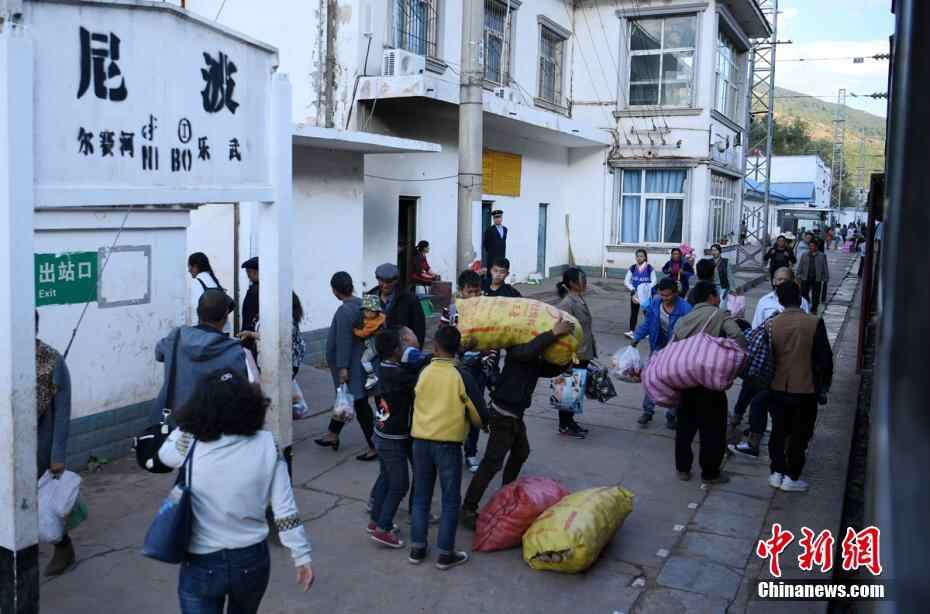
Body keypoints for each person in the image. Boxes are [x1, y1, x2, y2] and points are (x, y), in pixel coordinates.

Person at [158, 371, 314, 613]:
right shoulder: (267, 444)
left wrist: (190, 421)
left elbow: (164, 455)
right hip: (251, 561)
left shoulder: (189, 444)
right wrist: (301, 555)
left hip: (201, 561)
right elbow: (285, 509)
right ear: (250, 404)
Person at [461, 317, 575, 528]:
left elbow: (545, 369)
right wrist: (553, 333)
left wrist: (567, 361)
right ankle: (468, 509)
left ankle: (506, 494)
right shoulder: (517, 347)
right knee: (491, 464)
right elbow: (527, 352)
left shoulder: (533, 355)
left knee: (521, 452)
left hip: (515, 416)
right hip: (503, 415)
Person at [408, 326, 484, 570]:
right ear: (458, 348)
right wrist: (476, 423)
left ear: (435, 347)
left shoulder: (424, 372)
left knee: (421, 497)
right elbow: (478, 412)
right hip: (448, 445)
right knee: (450, 500)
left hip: (420, 442)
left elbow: (415, 400)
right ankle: (444, 554)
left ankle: (417, 549)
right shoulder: (461, 375)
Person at [670, 282, 746, 484]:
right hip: (710, 381)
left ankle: (683, 469)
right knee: (712, 429)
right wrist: (734, 359)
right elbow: (738, 336)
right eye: (717, 296)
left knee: (685, 427)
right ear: (711, 297)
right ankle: (710, 472)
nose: (719, 299)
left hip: (686, 380)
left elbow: (674, 344)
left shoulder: (684, 319)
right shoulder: (719, 315)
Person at [730, 268, 810, 456]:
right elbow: (756, 330)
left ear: (792, 282)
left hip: (789, 363)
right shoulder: (765, 301)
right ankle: (748, 431)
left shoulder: (802, 303)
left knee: (767, 402)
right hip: (766, 361)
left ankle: (763, 441)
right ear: (773, 281)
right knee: (755, 395)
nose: (780, 283)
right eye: (777, 279)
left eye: (784, 280)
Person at [767, 282, 833, 493]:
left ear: (780, 301)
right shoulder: (814, 322)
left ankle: (776, 472)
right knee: (800, 433)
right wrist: (824, 386)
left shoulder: (772, 323)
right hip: (805, 388)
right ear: (800, 298)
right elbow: (825, 359)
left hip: (777, 386)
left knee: (778, 430)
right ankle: (792, 475)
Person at [367, 328, 429, 549]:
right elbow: (421, 380)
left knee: (386, 478)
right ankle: (383, 528)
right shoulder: (398, 375)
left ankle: (375, 521)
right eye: (403, 345)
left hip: (382, 433)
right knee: (399, 484)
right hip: (392, 438)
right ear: (395, 350)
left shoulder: (384, 368)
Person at [153, 289, 246, 424]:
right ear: (225, 317)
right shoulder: (234, 351)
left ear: (198, 313)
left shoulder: (176, 337)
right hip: (208, 427)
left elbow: (159, 354)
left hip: (172, 423)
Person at [315, 272, 379, 462]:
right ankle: (333, 434)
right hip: (361, 362)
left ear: (335, 291)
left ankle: (374, 445)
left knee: (359, 404)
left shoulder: (344, 311)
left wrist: (342, 368)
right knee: (345, 399)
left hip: (351, 365)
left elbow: (343, 341)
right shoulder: (362, 304)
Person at [35, 311, 75, 576]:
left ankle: (63, 546)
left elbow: (62, 412)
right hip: (7, 441)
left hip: (39, 444)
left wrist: (57, 455)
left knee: (44, 501)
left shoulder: (52, 360)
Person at [631, 277, 693, 428]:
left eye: (668, 295)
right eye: (662, 295)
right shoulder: (655, 303)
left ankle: (672, 415)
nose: (665, 298)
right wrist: (636, 338)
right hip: (657, 346)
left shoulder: (686, 309)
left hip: (676, 351)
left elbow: (690, 333)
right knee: (651, 379)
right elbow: (648, 323)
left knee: (675, 383)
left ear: (676, 293)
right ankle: (647, 411)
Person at [456, 270, 494, 473]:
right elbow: (443, 339)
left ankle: (471, 453)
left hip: (479, 371)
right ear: (461, 291)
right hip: (455, 370)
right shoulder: (451, 311)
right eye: (469, 292)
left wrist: (488, 360)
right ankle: (452, 450)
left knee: (474, 413)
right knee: (454, 413)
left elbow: (496, 340)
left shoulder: (487, 312)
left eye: (477, 291)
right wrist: (461, 349)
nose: (473, 296)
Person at [556, 268, 594, 438]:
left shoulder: (578, 298)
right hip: (573, 355)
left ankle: (569, 421)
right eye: (582, 278)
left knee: (574, 390)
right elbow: (561, 330)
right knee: (568, 390)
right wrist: (568, 355)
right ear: (572, 283)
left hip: (583, 352)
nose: (585, 281)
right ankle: (565, 425)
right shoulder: (567, 303)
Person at [367, 263, 426, 348]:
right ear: (377, 279)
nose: (385, 285)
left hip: (401, 349)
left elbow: (419, 328)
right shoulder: (370, 297)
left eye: (389, 282)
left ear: (396, 280)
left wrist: (416, 350)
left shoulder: (410, 299)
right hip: (375, 349)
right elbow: (364, 323)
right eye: (382, 281)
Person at [188, 252, 229, 332]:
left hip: (206, 332)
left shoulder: (197, 282)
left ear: (195, 267)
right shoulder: (213, 281)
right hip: (222, 329)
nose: (189, 270)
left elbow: (196, 308)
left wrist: (195, 331)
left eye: (189, 266)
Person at [354, 294, 386, 391]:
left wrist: (355, 331)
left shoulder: (373, 323)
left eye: (368, 311)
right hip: (381, 343)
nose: (365, 313)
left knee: (364, 360)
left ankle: (371, 376)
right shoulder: (381, 317)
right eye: (364, 310)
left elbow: (364, 333)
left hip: (374, 345)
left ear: (375, 311)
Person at [624, 248, 657, 339]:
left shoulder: (649, 268)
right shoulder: (632, 268)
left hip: (646, 295)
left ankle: (648, 331)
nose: (639, 258)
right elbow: (626, 281)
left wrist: (645, 289)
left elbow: (654, 281)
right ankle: (631, 331)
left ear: (645, 257)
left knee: (647, 313)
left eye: (641, 256)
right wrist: (633, 289)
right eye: (637, 256)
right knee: (634, 313)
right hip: (635, 294)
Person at [797, 239, 829, 314]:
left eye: (813, 246)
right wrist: (798, 274)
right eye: (810, 246)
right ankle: (806, 306)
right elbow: (800, 265)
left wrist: (826, 277)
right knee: (804, 293)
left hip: (817, 278)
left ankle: (814, 308)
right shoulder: (804, 255)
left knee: (816, 294)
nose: (811, 247)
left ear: (816, 247)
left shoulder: (822, 256)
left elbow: (825, 267)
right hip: (805, 277)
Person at [240, 257, 260, 358]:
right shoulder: (261, 288)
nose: (248, 276)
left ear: (256, 272)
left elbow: (249, 316)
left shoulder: (255, 291)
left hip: (253, 337)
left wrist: (246, 340)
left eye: (249, 272)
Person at [481, 209, 507, 275]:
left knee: (501, 276)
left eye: (499, 217)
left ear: (502, 218)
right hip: (492, 259)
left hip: (502, 258)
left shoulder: (505, 229)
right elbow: (486, 245)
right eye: (495, 217)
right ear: (493, 219)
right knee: (492, 277)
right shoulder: (489, 230)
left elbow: (502, 243)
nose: (497, 219)